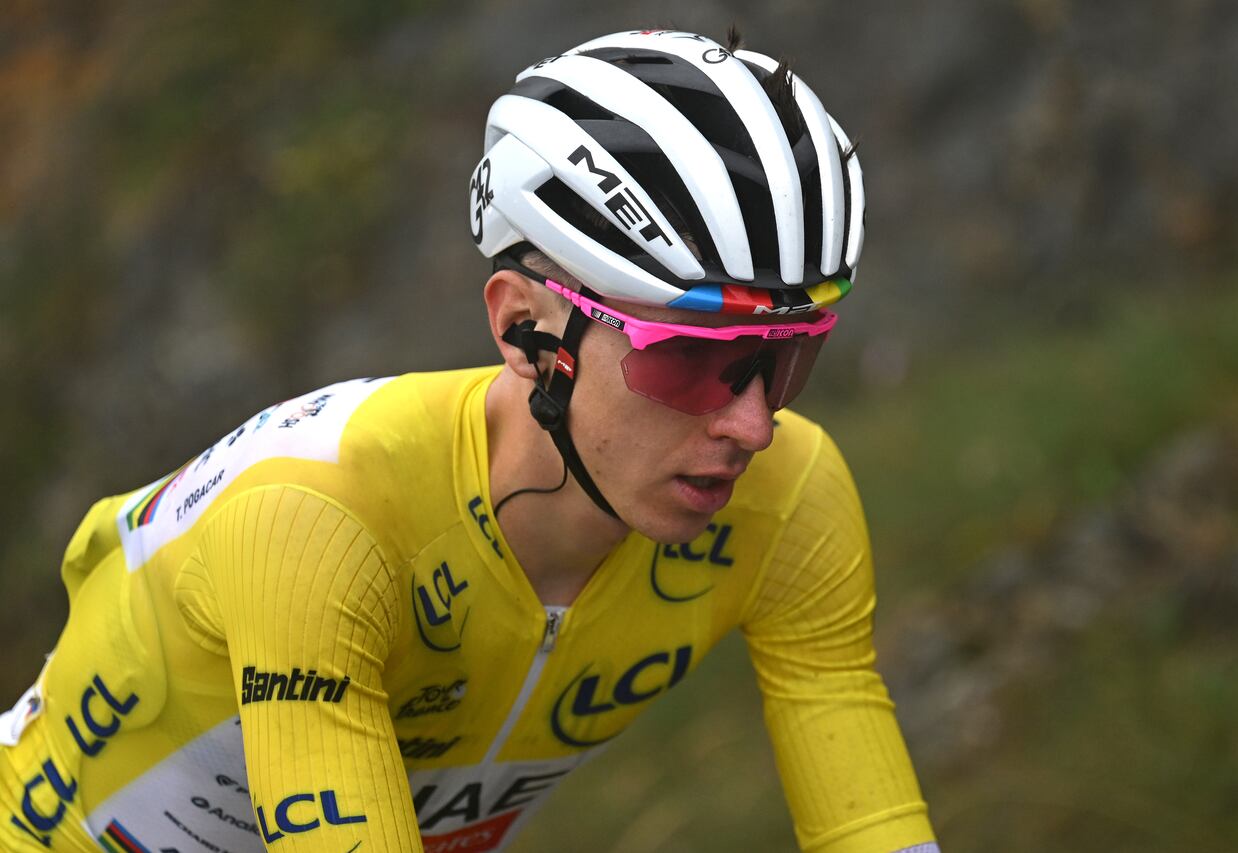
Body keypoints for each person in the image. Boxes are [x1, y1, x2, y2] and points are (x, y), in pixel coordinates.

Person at [0, 28, 938, 853]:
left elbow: (872, 828)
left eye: (788, 358)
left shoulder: (792, 503)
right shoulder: (315, 525)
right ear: (526, 327)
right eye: (690, 359)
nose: (753, 422)